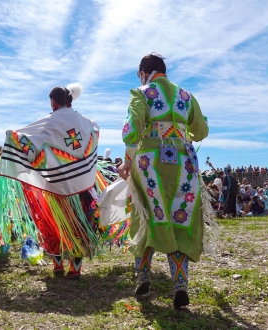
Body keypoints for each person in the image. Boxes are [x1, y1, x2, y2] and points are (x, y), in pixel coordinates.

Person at [0, 83, 100, 279]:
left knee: (53, 224)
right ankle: (75, 268)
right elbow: (95, 130)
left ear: (53, 102)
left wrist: (12, 135)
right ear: (70, 101)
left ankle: (58, 265)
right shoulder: (86, 122)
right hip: (82, 186)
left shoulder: (49, 122)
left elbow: (30, 143)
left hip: (54, 187)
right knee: (79, 225)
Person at [118, 53, 209, 307]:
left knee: (146, 215)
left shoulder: (141, 93)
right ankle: (180, 283)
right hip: (184, 163)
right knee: (180, 217)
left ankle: (142, 278)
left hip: (150, 164)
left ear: (144, 72)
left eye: (140, 74)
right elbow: (201, 131)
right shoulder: (186, 96)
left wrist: (127, 160)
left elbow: (132, 130)